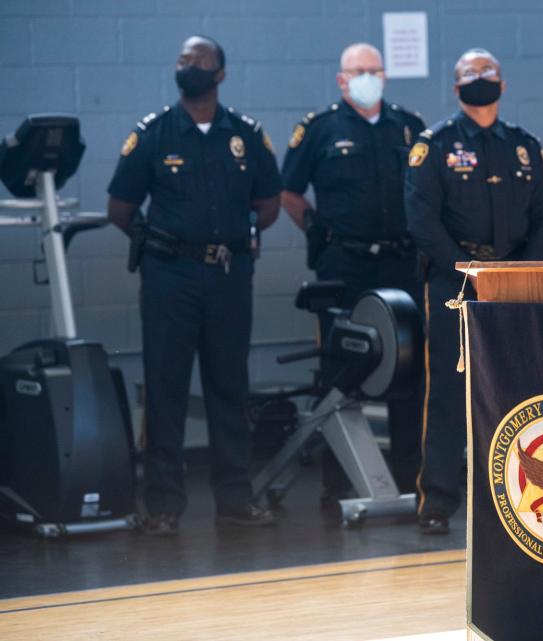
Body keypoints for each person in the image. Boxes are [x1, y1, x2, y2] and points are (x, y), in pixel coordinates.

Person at [106, 35, 282, 534]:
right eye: (183, 60)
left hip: (228, 275)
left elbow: (268, 204)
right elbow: (119, 209)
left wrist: (243, 236)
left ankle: (234, 497)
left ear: (220, 74)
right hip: (169, 279)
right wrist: (159, 244)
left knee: (229, 386)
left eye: (200, 61)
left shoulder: (245, 135)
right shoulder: (154, 134)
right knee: (166, 388)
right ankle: (163, 505)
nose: (190, 67)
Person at [405, 48, 543, 534]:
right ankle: (437, 502)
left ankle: (513, 495)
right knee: (448, 392)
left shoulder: (523, 146)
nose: (479, 78)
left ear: (503, 83)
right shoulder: (435, 146)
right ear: (455, 88)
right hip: (454, 281)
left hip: (514, 282)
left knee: (515, 390)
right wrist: (468, 269)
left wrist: (523, 269)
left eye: (487, 72)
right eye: (469, 74)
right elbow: (421, 219)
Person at [281, 43, 426, 495]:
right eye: (359, 71)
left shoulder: (409, 126)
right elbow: (288, 192)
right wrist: (316, 229)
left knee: (407, 369)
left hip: (400, 263)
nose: (368, 77)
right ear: (342, 80)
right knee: (342, 370)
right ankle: (338, 487)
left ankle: (410, 479)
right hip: (344, 264)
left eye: (374, 70)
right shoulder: (319, 129)